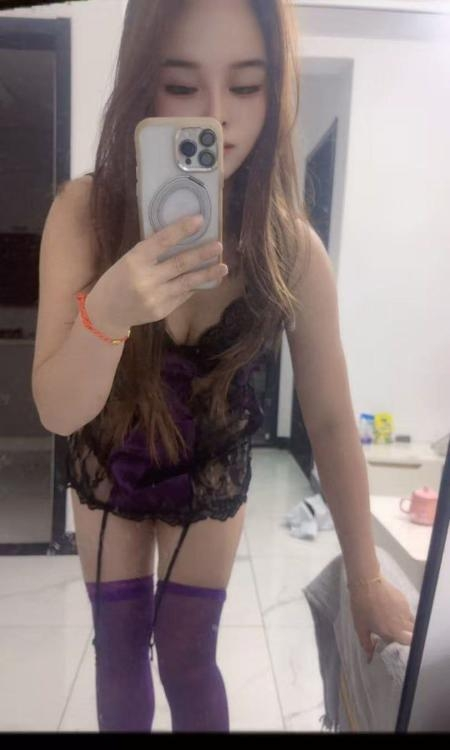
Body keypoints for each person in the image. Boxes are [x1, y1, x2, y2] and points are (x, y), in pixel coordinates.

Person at [32, 0, 415, 734]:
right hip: (109, 451)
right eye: (181, 84)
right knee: (118, 652)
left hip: (210, 462)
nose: (217, 115)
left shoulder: (289, 248)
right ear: (142, 82)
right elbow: (56, 409)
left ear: (277, 90)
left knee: (187, 656)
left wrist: (366, 578)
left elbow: (331, 419)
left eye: (246, 85)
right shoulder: (85, 214)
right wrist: (107, 311)